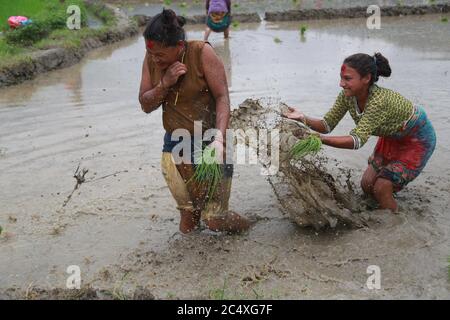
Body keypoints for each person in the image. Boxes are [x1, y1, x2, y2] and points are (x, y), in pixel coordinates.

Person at [139, 9, 250, 234]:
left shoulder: (201, 53)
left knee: (215, 220)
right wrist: (165, 83)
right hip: (174, 145)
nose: (154, 59)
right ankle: (188, 265)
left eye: (160, 55)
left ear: (179, 46)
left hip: (209, 143)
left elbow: (222, 98)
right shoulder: (151, 59)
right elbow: (145, 104)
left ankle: (250, 227)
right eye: (151, 54)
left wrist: (220, 138)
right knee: (189, 218)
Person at [283, 53, 436, 212]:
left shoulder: (378, 101)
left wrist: (320, 139)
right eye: (341, 78)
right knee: (367, 185)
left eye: (347, 79)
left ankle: (395, 227)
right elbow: (327, 124)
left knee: (381, 188)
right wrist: (302, 117)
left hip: (417, 138)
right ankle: (383, 208)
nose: (341, 84)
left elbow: (357, 141)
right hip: (392, 136)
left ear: (366, 78)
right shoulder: (347, 96)